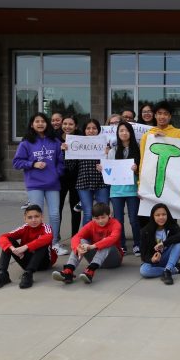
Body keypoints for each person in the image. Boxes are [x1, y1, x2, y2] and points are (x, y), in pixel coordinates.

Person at [12, 112, 66, 256]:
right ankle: (37, 243)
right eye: (37, 121)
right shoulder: (25, 143)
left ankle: (54, 244)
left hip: (53, 183)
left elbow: (61, 161)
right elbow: (16, 163)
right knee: (36, 216)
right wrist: (33, 164)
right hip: (34, 184)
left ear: (47, 124)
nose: (40, 124)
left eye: (43, 121)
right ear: (32, 124)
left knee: (55, 215)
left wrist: (57, 173)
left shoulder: (55, 141)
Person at [52, 202, 123, 284]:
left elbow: (113, 238)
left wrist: (92, 246)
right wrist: (77, 247)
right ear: (93, 218)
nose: (100, 221)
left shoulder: (115, 224)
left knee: (107, 242)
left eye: (103, 217)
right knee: (81, 242)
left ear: (109, 215)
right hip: (95, 259)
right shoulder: (91, 224)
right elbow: (76, 237)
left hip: (113, 260)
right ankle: (68, 271)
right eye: (97, 218)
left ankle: (90, 271)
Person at [0, 205, 58, 289]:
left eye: (36, 216)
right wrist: (13, 249)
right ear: (25, 219)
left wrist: (25, 247)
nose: (33, 220)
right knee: (8, 242)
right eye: (30, 217)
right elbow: (2, 237)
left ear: (42, 217)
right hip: (26, 262)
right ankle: (2, 274)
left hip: (44, 263)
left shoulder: (46, 228)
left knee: (43, 242)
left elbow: (48, 237)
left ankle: (28, 274)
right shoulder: (24, 228)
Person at [104, 121, 141, 256]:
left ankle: (138, 244)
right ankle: (122, 245)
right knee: (118, 220)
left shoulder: (138, 149)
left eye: (126, 130)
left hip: (132, 189)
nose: (124, 133)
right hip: (116, 191)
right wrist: (103, 168)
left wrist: (137, 170)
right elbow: (109, 170)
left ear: (131, 133)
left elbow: (143, 169)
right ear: (117, 134)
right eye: (121, 131)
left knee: (133, 219)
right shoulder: (113, 151)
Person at [63, 119, 109, 227]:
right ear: (84, 130)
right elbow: (70, 166)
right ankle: (86, 239)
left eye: (94, 128)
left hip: (102, 182)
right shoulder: (78, 144)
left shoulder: (105, 144)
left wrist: (109, 154)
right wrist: (66, 151)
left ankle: (105, 238)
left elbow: (113, 166)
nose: (91, 130)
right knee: (88, 213)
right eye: (88, 128)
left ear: (98, 130)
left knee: (104, 212)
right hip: (83, 182)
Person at [140, 203, 180, 285]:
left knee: (179, 240)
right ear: (153, 216)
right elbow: (143, 256)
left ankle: (168, 270)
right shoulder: (145, 231)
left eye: (164, 214)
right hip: (155, 261)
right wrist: (152, 259)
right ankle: (176, 269)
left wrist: (164, 243)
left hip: (168, 257)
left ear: (167, 215)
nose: (161, 217)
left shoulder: (171, 225)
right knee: (144, 271)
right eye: (157, 215)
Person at [139, 101, 180, 170]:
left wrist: (165, 139)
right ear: (155, 115)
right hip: (151, 174)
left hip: (172, 174)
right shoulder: (147, 135)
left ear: (170, 117)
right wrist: (140, 180)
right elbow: (143, 159)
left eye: (165, 114)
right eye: (159, 114)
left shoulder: (179, 133)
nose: (162, 117)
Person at [58, 116, 82, 237]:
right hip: (60, 178)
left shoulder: (82, 139)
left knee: (75, 208)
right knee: (58, 208)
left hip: (76, 178)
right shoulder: (56, 139)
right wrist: (61, 150)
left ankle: (75, 236)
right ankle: (56, 236)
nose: (67, 126)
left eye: (70, 124)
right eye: (65, 123)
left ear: (76, 126)